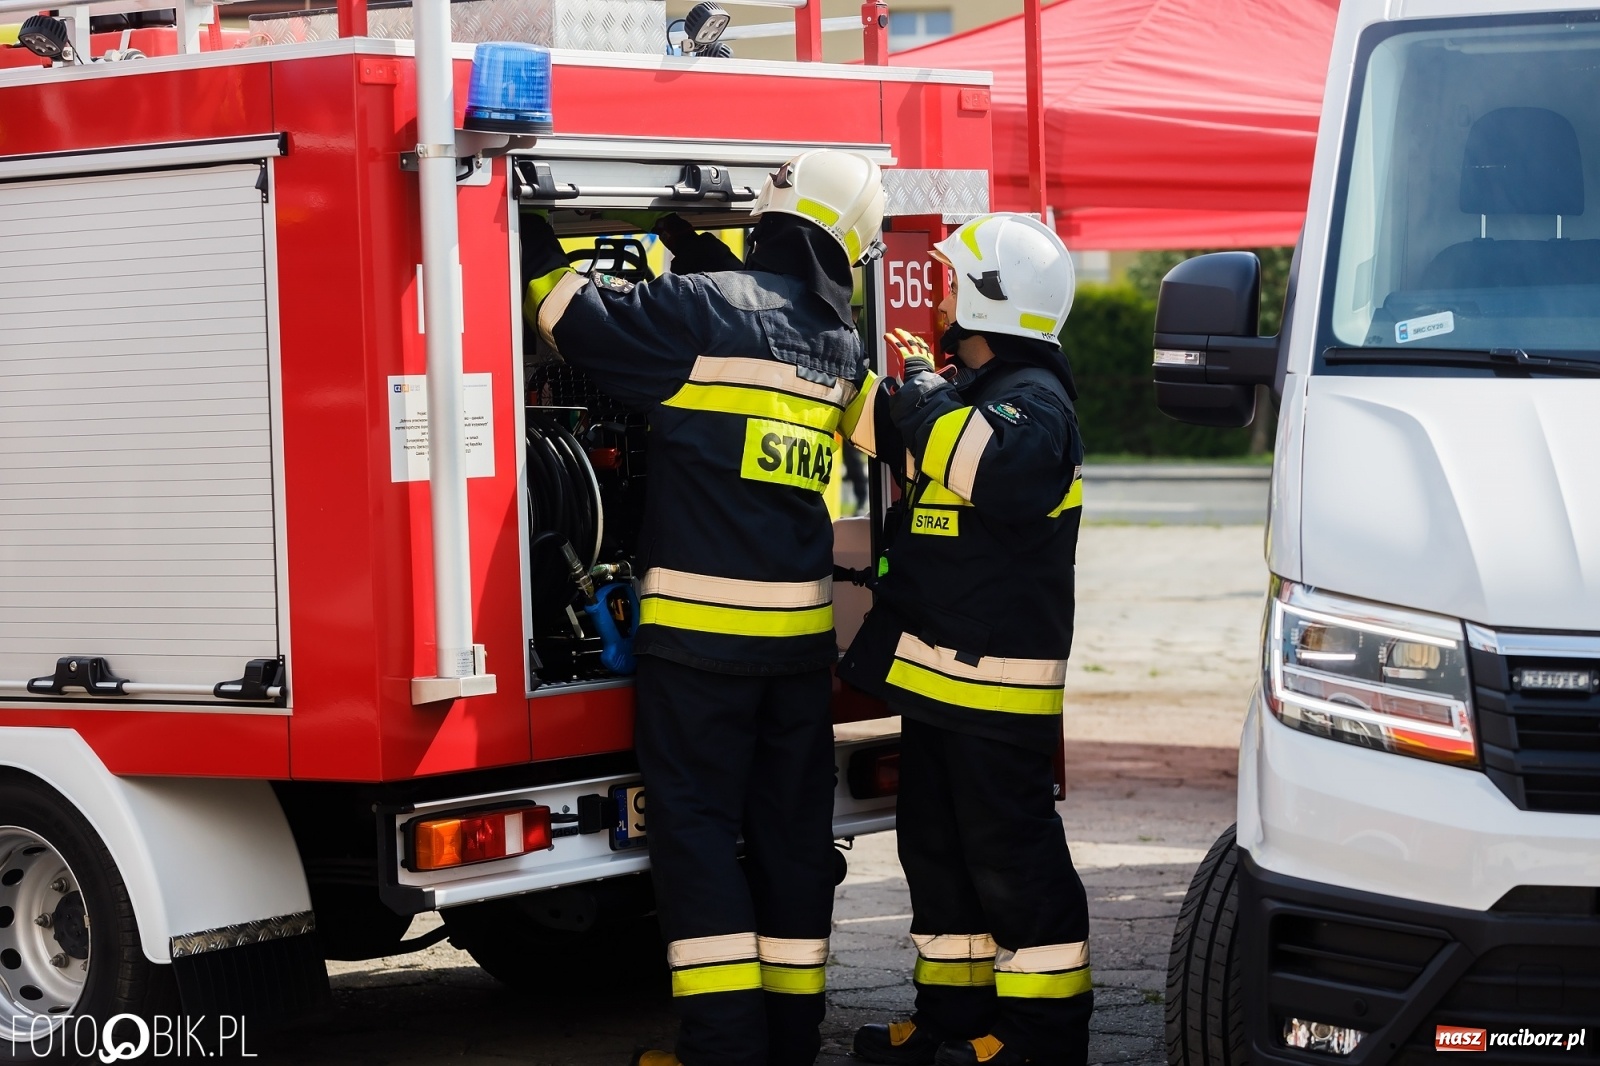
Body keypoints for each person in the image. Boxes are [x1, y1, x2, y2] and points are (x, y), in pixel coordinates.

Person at [520, 150, 886, 1066]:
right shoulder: (841, 349)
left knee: (694, 839)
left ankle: (723, 1048)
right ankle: (790, 1040)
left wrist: (512, 220)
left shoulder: (700, 312)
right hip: (798, 652)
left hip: (698, 649)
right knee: (792, 845)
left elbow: (572, 316)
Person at [836, 214, 1091, 1066]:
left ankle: (1039, 1042)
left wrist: (922, 394)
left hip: (994, 691)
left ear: (994, 303)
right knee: (938, 859)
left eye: (953, 284)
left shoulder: (1036, 406)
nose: (941, 296)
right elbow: (895, 433)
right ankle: (955, 1026)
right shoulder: (972, 401)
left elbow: (992, 471)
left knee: (1014, 868)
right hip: (941, 681)